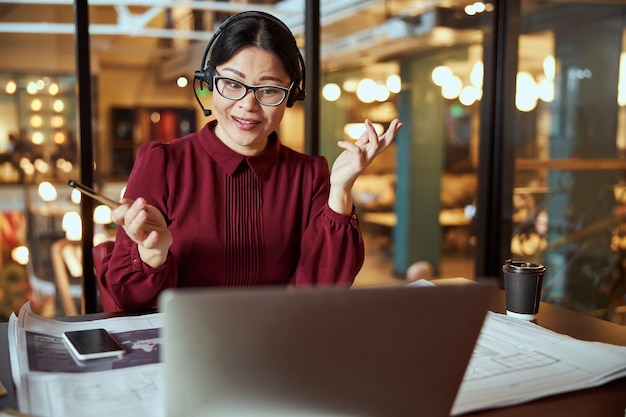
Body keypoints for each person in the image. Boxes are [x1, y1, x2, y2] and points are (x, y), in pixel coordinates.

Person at [102, 11, 403, 311]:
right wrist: (153, 254)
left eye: (269, 89)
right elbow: (130, 303)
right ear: (210, 81)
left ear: (291, 95)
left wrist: (341, 189)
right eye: (233, 84)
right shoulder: (162, 163)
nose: (248, 104)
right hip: (182, 343)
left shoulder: (309, 175)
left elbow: (321, 294)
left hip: (267, 340)